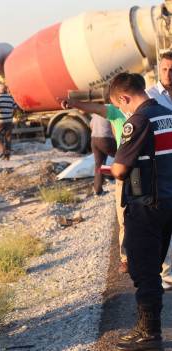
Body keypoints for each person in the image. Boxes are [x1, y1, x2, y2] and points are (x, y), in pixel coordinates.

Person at [109, 73, 172, 351]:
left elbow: (121, 169)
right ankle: (147, 328)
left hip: (146, 204)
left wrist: (112, 168)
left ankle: (149, 333)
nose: (123, 111)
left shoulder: (137, 121)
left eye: (120, 106)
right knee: (153, 268)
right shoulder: (167, 115)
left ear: (124, 98)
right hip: (168, 201)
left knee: (143, 270)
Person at [60, 98, 128, 273]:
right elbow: (114, 131)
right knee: (121, 157)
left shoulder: (100, 113)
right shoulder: (114, 111)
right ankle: (114, 175)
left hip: (94, 139)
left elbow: (90, 124)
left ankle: (97, 189)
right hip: (105, 139)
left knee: (99, 166)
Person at [148, 52, 172, 290]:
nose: (168, 74)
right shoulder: (150, 97)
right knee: (163, 223)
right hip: (161, 167)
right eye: (165, 69)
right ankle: (162, 272)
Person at [0, 84, 18, 160]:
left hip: (0, 121)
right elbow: (15, 108)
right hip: (9, 120)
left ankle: (2, 149)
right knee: (8, 137)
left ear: (0, 90)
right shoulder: (10, 97)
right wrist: (11, 115)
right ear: (5, 90)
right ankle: (7, 156)